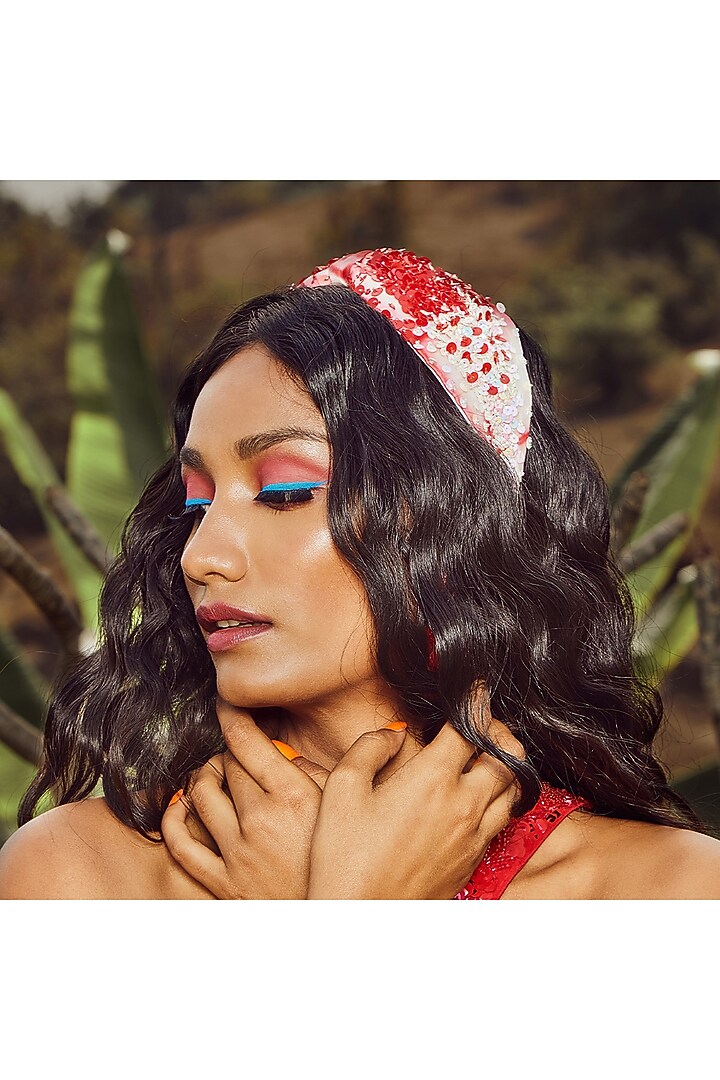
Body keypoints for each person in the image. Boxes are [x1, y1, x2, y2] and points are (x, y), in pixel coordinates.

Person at [1, 247, 719, 900]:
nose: (200, 555)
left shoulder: (665, 888)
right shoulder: (76, 872)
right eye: (196, 503)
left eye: (283, 492)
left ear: (451, 519)